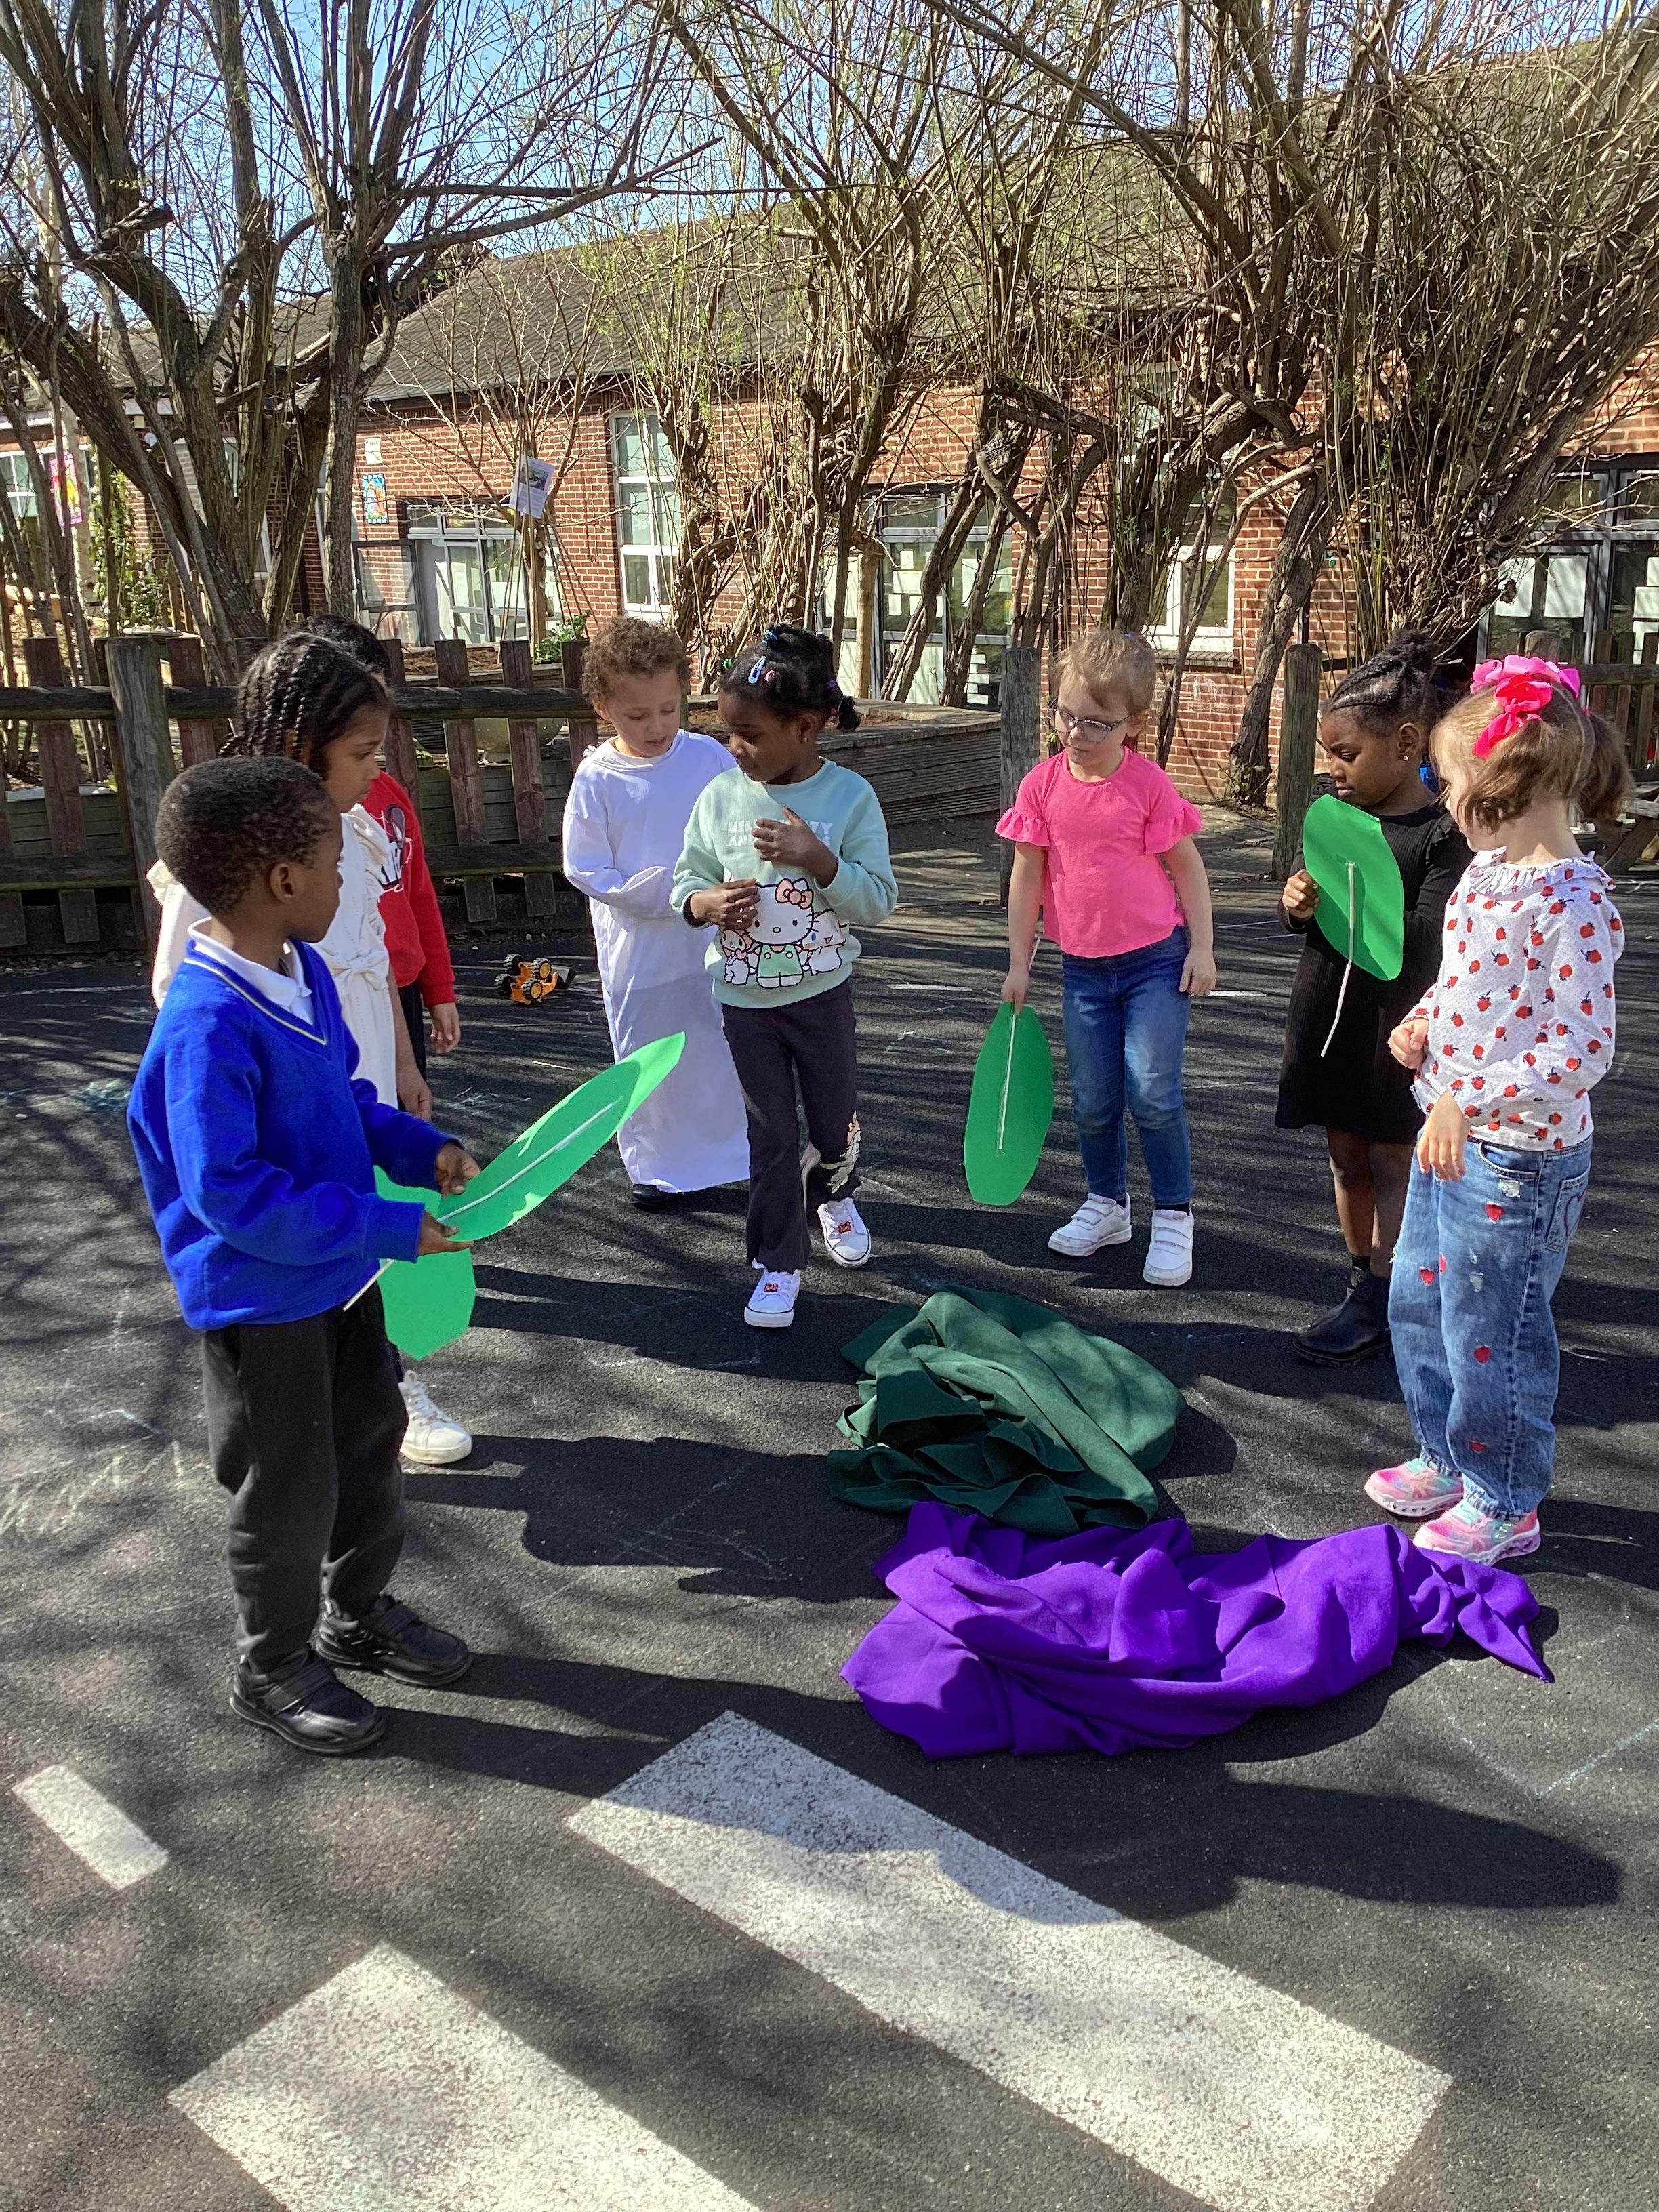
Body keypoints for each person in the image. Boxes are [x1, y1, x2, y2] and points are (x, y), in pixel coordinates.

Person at [127, 756, 480, 1755]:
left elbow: (346, 1105)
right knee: (287, 1487)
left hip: (338, 1279)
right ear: (284, 880)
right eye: (335, 863)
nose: (347, 880)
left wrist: (420, 1150)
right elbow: (230, 1194)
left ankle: (355, 1612)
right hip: (262, 1299)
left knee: (368, 1444)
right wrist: (381, 1226)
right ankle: (273, 1664)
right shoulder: (207, 1024)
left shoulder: (303, 969)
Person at [148, 632, 474, 1467]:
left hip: (344, 1093)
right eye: (362, 752)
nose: (377, 769)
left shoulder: (337, 873)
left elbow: (372, 959)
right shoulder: (224, 924)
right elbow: (192, 1025)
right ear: (300, 745)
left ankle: (385, 1381)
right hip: (273, 1215)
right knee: (290, 1469)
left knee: (358, 1292)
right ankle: (381, 1386)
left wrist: (404, 1080)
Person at [1369, 655, 1629, 1564]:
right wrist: (1423, 1023)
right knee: (1420, 1304)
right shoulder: (1485, 877)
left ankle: (1505, 1497)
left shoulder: (1575, 902)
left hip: (1519, 1160)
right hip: (1451, 1137)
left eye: (1449, 781)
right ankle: (1445, 1456)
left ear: (1503, 784)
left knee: (1494, 1335)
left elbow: (1581, 1050)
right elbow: (1464, 983)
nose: (1443, 801)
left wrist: (1466, 1098)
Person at [672, 623, 897, 1330]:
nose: (733, 747)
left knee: (833, 1129)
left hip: (822, 998)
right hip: (744, 1003)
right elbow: (688, 878)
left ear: (805, 728)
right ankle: (778, 1263)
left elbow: (878, 901)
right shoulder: (719, 797)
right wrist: (702, 905)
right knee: (770, 1137)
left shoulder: (851, 798)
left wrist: (818, 860)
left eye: (749, 734)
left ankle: (834, 1192)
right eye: (726, 732)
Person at [999, 629, 1216, 1287]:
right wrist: (1019, 962)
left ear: (1135, 724)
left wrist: (1203, 947)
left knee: (1152, 1092)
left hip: (1156, 963)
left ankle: (1173, 1213)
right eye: (1065, 714)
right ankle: (1107, 1204)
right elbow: (1027, 878)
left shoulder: (1147, 785)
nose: (1076, 732)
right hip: (1083, 971)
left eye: (1096, 722)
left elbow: (1188, 867)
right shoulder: (1041, 787)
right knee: (1094, 1101)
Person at [1276, 634, 1472, 1364]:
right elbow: (1314, 904)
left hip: (1399, 1023)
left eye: (1348, 754)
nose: (1335, 768)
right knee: (1345, 1156)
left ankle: (1390, 1294)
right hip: (1331, 1011)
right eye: (1328, 753)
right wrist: (1298, 905)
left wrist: (1352, 907)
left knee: (1394, 1160)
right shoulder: (1337, 818)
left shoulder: (1445, 834)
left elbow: (1426, 940)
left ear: (1407, 742)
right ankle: (1363, 1278)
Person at [561, 615, 749, 1206]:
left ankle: (733, 1154)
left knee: (720, 1047)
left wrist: (730, 884)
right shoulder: (598, 778)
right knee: (649, 1053)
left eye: (669, 710)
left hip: (712, 942)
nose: (658, 727)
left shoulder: (708, 758)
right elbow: (586, 867)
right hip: (640, 951)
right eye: (638, 716)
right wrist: (674, 895)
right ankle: (658, 1166)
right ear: (604, 708)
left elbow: (741, 823)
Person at [293, 614, 461, 1077]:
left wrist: (439, 988)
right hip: (326, 1005)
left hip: (394, 988)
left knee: (400, 1109)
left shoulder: (386, 796)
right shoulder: (274, 831)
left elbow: (418, 893)